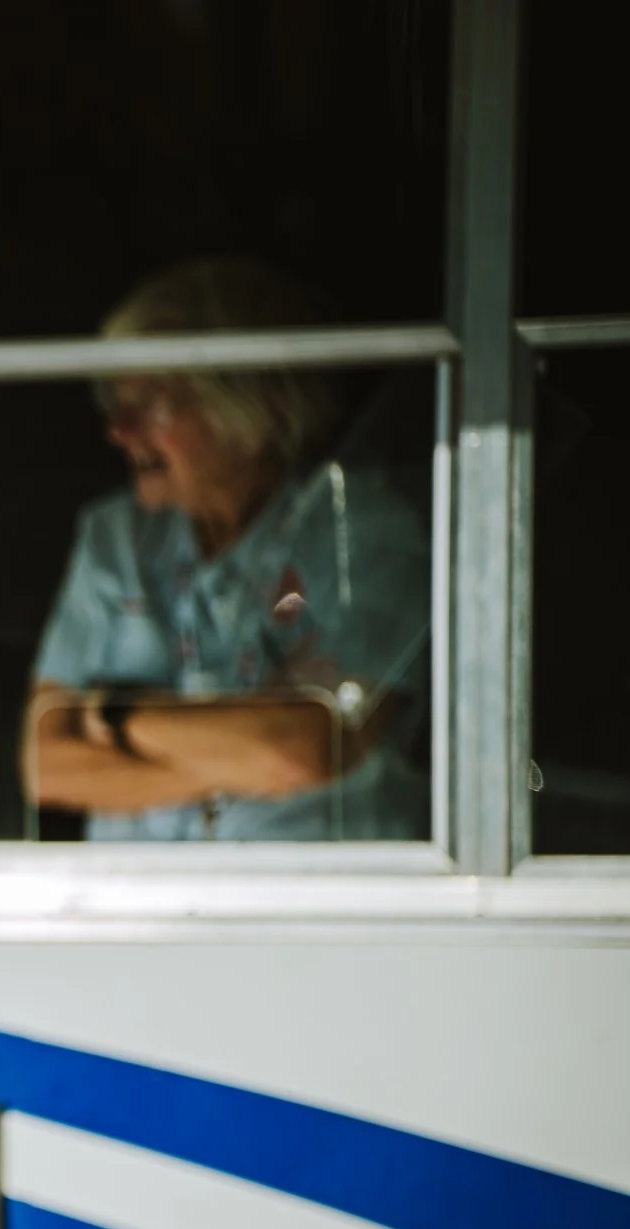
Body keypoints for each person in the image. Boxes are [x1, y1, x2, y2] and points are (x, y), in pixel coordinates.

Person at [24, 256, 431, 840]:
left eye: (153, 404)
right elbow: (47, 764)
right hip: (135, 912)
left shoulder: (360, 529)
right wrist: (234, 759)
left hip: (309, 914)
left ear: (253, 407)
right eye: (117, 403)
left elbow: (304, 749)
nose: (119, 430)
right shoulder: (115, 537)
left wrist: (111, 714)